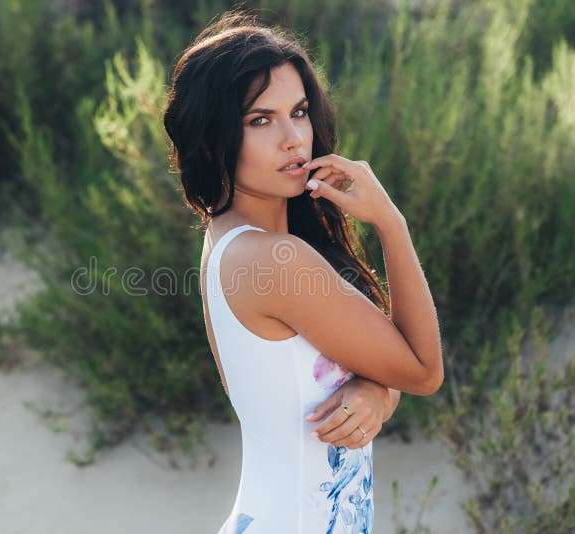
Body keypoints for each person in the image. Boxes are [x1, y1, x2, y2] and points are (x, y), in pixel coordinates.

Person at [163, 9, 443, 534]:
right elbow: (424, 370)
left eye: (299, 111)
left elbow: (383, 364)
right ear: (213, 139)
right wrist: (391, 223)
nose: (294, 139)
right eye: (260, 121)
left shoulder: (238, 242)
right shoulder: (275, 261)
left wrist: (376, 393)